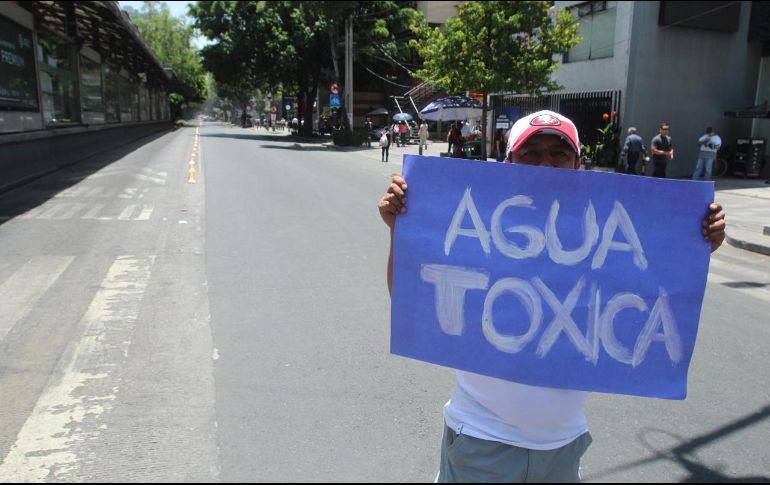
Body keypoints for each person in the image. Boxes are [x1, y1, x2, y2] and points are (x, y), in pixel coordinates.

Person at [377, 110, 726, 483]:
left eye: (559, 154)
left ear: (577, 164)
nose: (546, 163)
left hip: (564, 448)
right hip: (481, 440)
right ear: (507, 160)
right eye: (531, 153)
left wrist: (693, 242)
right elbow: (409, 299)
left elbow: (656, 282)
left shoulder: (596, 230)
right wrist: (401, 231)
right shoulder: (481, 219)